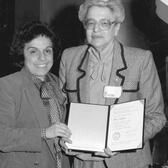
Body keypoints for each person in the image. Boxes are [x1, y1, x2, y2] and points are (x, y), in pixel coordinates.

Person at [59, 0, 167, 168]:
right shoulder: (69, 58)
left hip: (127, 162)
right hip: (83, 161)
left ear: (116, 28)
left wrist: (123, 141)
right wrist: (62, 134)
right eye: (90, 23)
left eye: (105, 23)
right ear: (84, 26)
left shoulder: (140, 60)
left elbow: (157, 116)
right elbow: (61, 108)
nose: (96, 29)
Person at [0, 21, 71, 168]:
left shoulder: (58, 83)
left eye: (47, 50)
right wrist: (45, 133)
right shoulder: (7, 86)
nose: (42, 58)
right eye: (33, 51)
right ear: (22, 53)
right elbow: (2, 137)